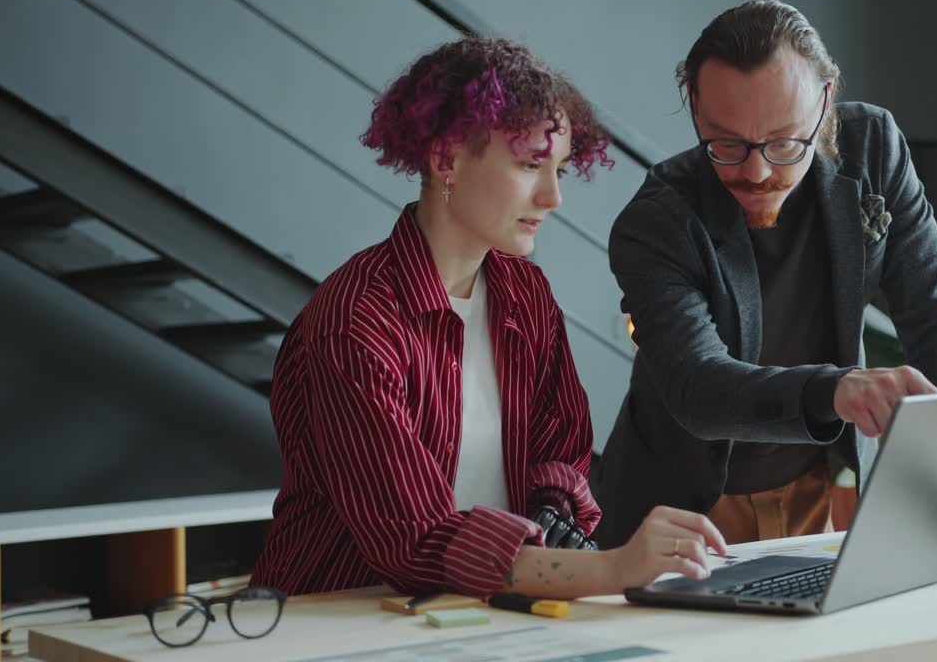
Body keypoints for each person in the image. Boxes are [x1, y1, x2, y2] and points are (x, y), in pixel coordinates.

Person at [251, 38, 727, 600]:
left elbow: (562, 448)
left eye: (561, 171)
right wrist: (612, 569)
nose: (553, 197)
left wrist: (551, 513)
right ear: (447, 158)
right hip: (337, 621)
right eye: (530, 165)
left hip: (477, 617)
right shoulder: (355, 319)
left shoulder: (526, 294)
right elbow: (415, 541)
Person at [592, 0, 937, 548]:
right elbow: (699, 388)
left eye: (783, 142)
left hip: (813, 496)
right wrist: (837, 388)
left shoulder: (871, 147)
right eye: (726, 143)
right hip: (677, 516)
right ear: (695, 107)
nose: (756, 172)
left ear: (825, 100)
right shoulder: (656, 220)